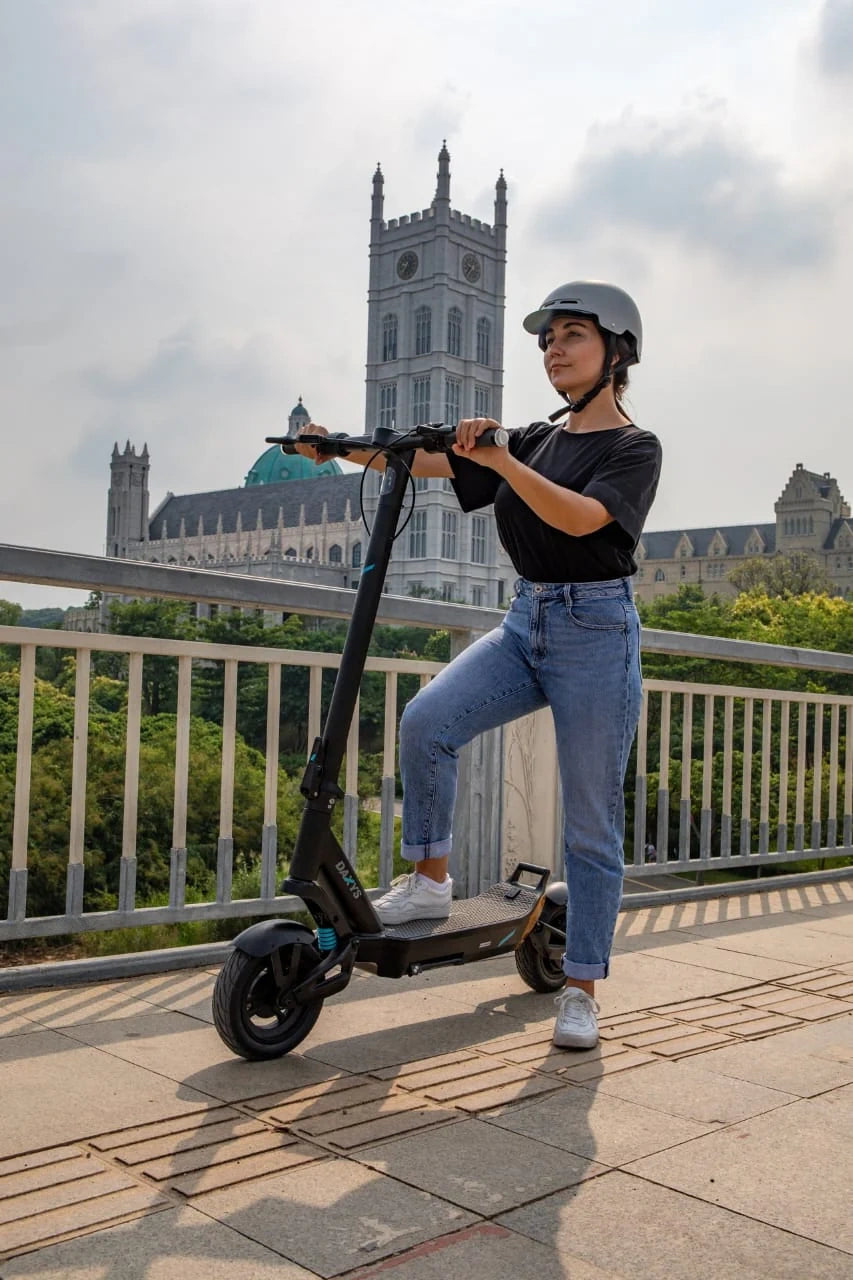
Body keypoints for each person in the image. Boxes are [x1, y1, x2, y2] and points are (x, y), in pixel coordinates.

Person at [295, 280, 662, 1050]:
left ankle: (581, 990)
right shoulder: (530, 440)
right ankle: (430, 884)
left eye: (571, 335)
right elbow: (426, 462)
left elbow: (581, 518)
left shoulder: (632, 448)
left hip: (596, 630)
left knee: (590, 822)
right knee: (426, 721)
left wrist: (502, 457)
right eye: (546, 340)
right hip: (527, 619)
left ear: (616, 351)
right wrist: (337, 449)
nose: (552, 350)